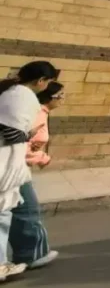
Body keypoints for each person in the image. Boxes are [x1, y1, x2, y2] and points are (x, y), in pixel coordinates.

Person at [1, 61, 60, 283]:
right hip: (6, 164)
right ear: (41, 81)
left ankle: (32, 254)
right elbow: (8, 130)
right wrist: (28, 135)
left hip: (13, 165)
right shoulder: (23, 96)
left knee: (24, 209)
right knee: (5, 214)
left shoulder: (13, 92)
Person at [9, 80, 64, 271]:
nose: (62, 100)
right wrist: (41, 158)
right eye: (60, 96)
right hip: (14, 167)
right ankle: (32, 254)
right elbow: (19, 142)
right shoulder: (37, 114)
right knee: (26, 211)